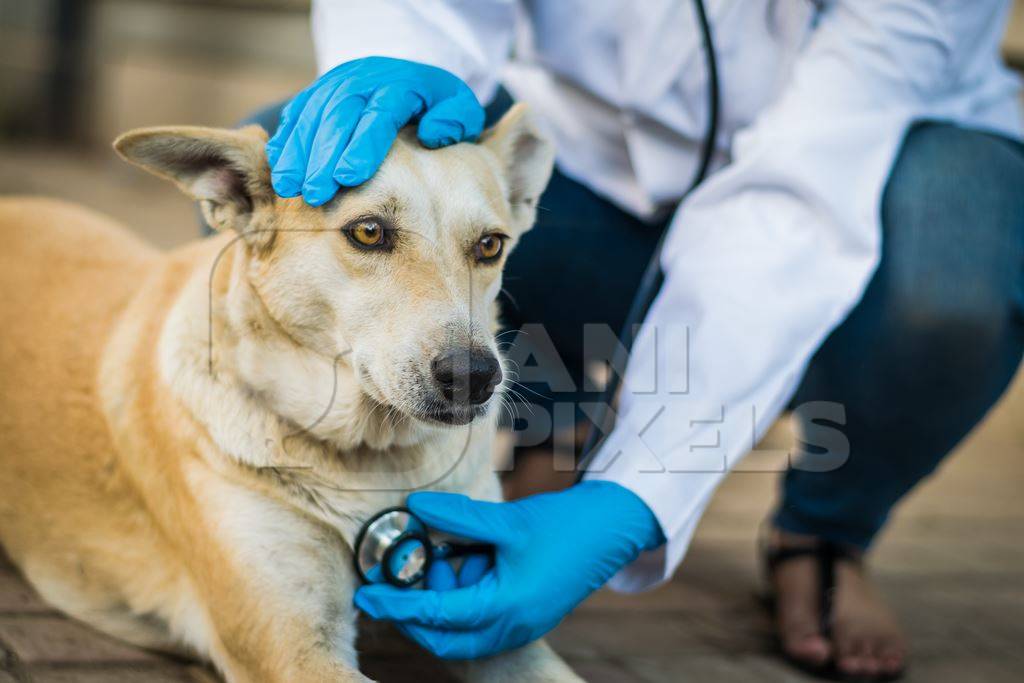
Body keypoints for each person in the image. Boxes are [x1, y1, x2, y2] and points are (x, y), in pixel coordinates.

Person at [259, 1, 1024, 679]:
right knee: (283, 164)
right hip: (598, 158)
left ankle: (824, 531)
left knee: (950, 297)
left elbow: (795, 196)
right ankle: (551, 433)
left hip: (873, 171)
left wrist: (635, 495)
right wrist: (403, 58)